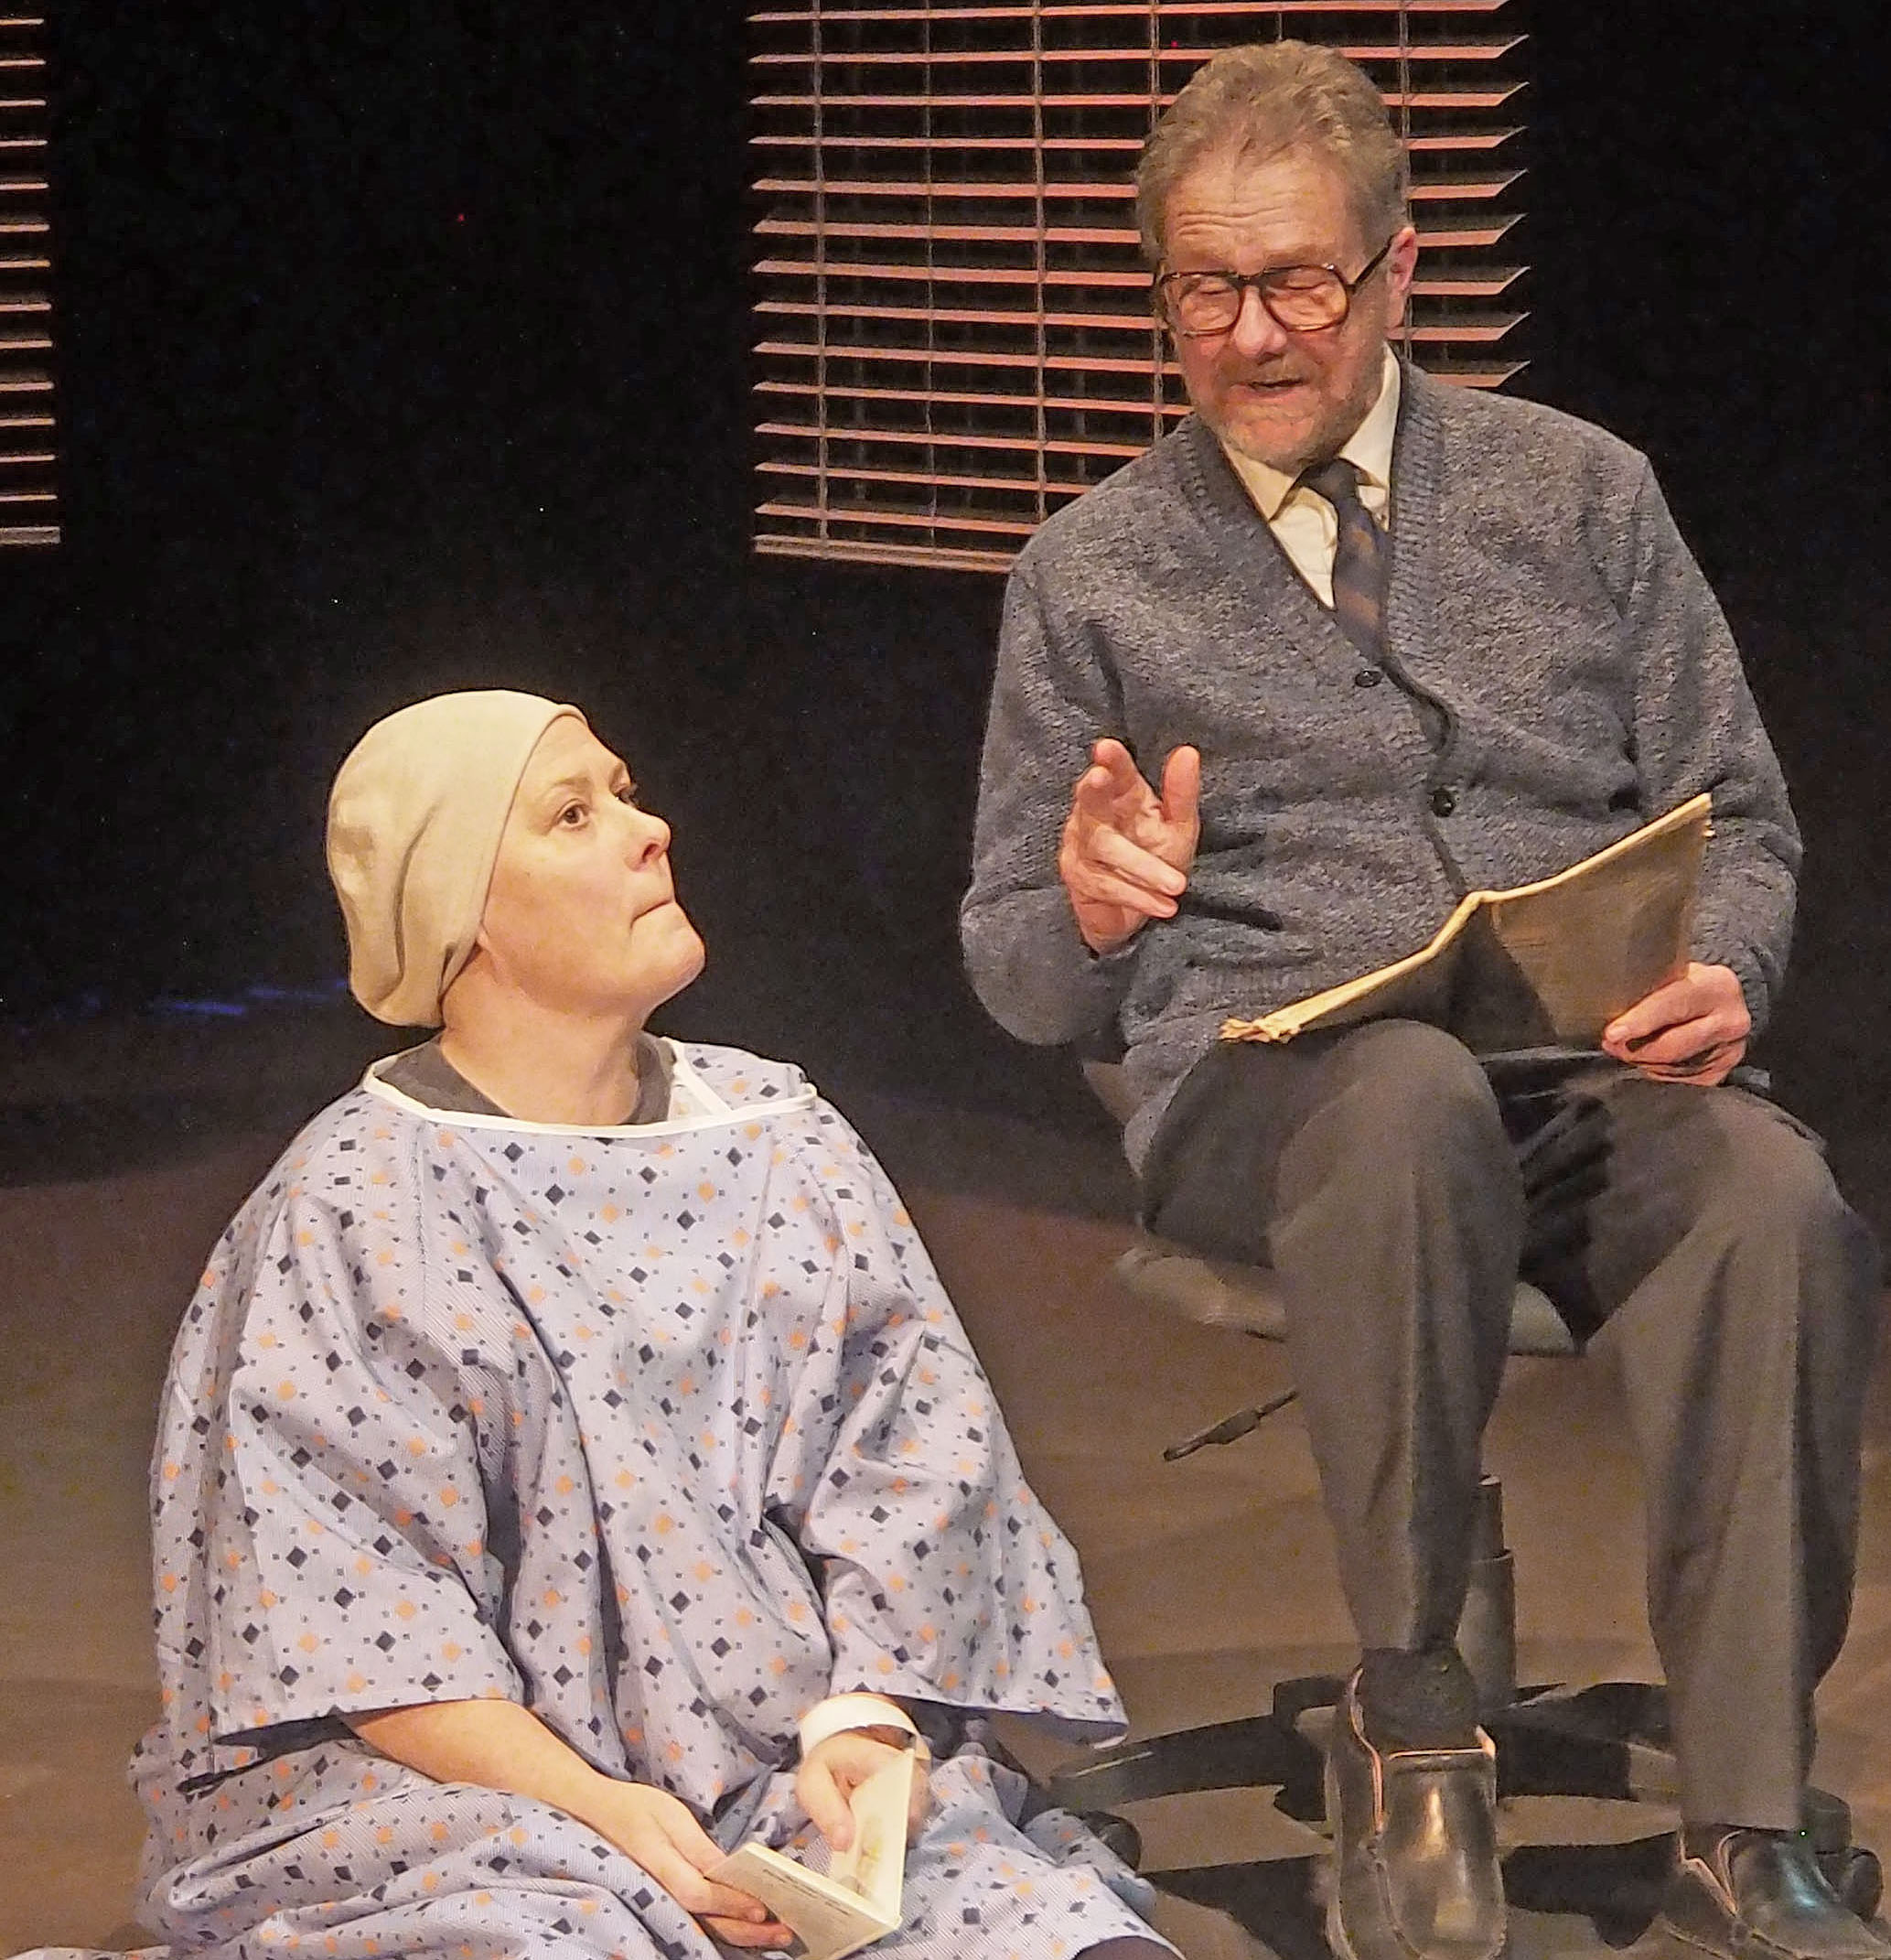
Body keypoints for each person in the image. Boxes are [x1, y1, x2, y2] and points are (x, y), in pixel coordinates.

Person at [962, 40, 1886, 1960]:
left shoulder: (1579, 495)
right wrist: (1087, 904)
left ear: (1393, 276)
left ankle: (1739, 1809)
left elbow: (1750, 812)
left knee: (1771, 1203)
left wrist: (1726, 960)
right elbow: (1008, 964)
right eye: (1202, 293)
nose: (1249, 336)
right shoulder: (1088, 573)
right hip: (1269, 1096)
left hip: (1577, 1078)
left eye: (1296, 281)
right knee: (1395, 1099)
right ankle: (1410, 1718)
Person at [102, 691, 1175, 1960]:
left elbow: (915, 1466)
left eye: (625, 787)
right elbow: (352, 1613)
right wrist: (604, 1809)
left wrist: (862, 1726)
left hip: (788, 1765)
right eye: (572, 812)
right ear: (463, 916)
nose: (649, 827)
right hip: (481, 1801)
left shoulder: (783, 1136)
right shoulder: (353, 1211)